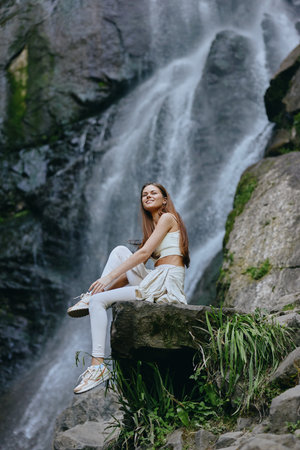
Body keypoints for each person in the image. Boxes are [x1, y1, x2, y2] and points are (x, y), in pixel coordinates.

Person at [67, 183, 190, 394]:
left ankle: (97, 367)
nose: (148, 196)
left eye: (154, 193)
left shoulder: (169, 217)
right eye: (144, 194)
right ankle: (91, 296)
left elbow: (142, 256)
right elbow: (135, 262)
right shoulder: (153, 226)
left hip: (165, 282)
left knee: (99, 301)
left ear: (165, 200)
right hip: (156, 277)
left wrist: (107, 279)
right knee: (119, 251)